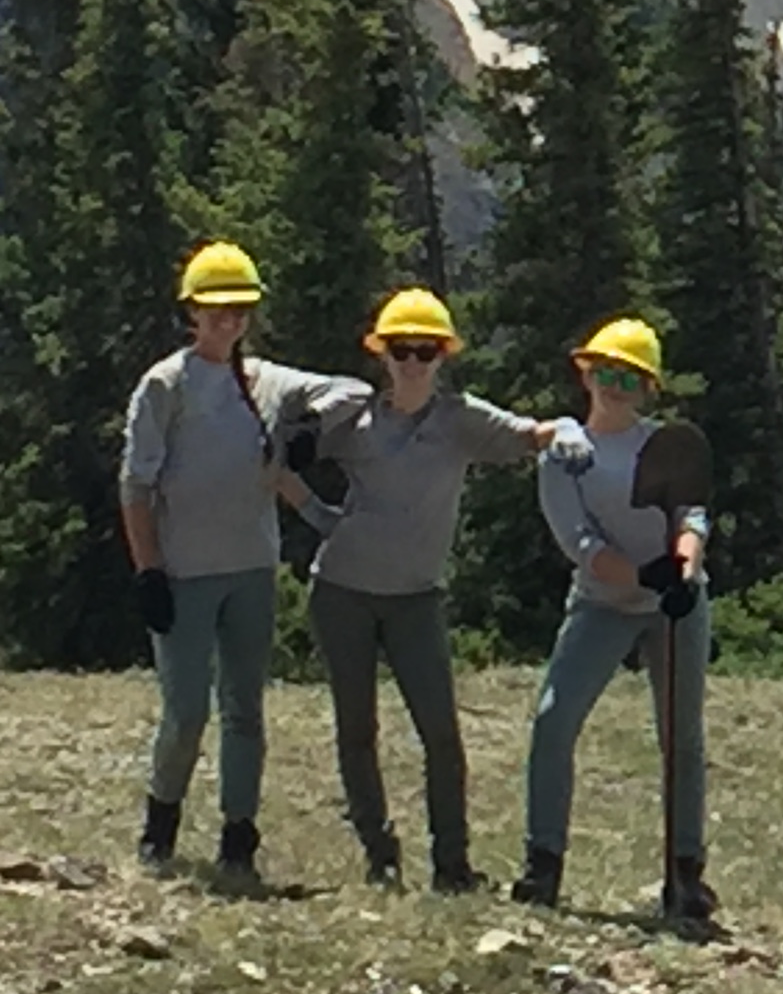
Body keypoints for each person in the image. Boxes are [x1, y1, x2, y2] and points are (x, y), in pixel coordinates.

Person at [283, 288, 593, 891]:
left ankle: (452, 865)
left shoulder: (462, 420)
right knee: (356, 729)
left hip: (418, 599)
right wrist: (320, 517)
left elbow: (531, 434)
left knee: (442, 737)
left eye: (426, 351)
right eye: (402, 350)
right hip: (341, 591)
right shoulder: (354, 420)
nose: (413, 362)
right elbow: (279, 460)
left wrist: (569, 430)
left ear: (444, 356)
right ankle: (381, 854)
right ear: (383, 354)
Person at [117, 241, 368, 885]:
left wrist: (306, 428)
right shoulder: (163, 386)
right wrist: (148, 571)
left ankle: (239, 837)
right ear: (192, 314)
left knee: (244, 708)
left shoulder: (268, 383)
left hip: (252, 569)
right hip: (182, 573)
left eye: (239, 310)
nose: (228, 322)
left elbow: (356, 390)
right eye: (216, 310)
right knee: (186, 711)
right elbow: (136, 486)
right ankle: (161, 821)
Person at [512, 317, 717, 931]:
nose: (613, 386)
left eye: (628, 377)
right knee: (554, 719)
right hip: (603, 602)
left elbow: (693, 516)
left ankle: (686, 873)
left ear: (647, 388)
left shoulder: (670, 445)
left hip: (676, 603)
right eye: (604, 373)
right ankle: (543, 862)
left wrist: (683, 569)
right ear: (584, 373)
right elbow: (583, 546)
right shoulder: (562, 458)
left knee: (681, 737)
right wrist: (650, 577)